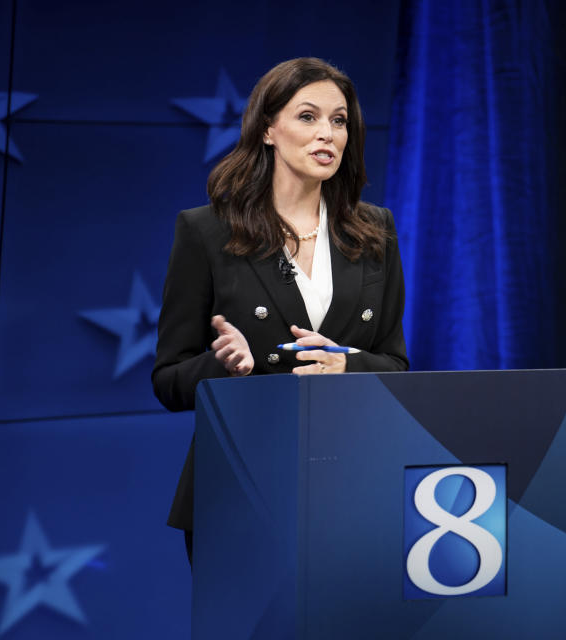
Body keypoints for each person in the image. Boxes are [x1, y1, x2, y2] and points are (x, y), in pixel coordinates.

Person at [152, 58, 408, 564]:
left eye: (339, 120)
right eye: (308, 117)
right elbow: (168, 381)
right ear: (268, 128)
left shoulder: (376, 231)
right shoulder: (207, 232)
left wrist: (347, 364)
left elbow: (397, 367)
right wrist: (225, 365)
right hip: (241, 488)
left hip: (350, 489)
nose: (327, 134)